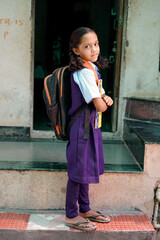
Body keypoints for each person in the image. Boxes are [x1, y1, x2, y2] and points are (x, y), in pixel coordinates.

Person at [65, 27, 113, 231]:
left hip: (90, 125)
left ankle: (84, 209)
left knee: (84, 168)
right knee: (77, 171)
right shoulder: (84, 72)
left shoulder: (92, 68)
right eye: (87, 46)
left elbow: (101, 97)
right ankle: (71, 215)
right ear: (76, 51)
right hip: (81, 127)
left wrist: (104, 99)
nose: (94, 49)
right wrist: (105, 101)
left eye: (96, 44)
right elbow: (100, 104)